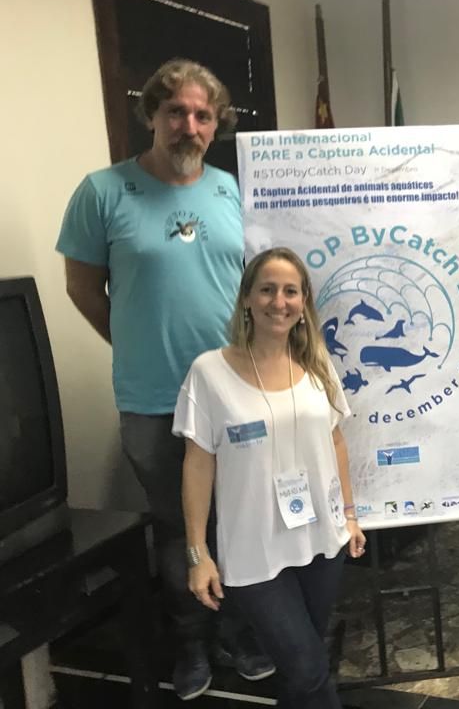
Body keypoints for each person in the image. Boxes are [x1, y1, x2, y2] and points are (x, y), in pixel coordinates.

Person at [56, 59, 272, 700]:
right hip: (154, 401)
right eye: (176, 111)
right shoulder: (103, 192)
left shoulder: (231, 190)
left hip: (235, 392)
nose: (190, 126)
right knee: (180, 528)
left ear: (216, 125)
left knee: (239, 521)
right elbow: (81, 288)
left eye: (203, 115)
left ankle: (237, 631)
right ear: (151, 114)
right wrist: (136, 345)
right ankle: (191, 645)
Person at [176, 247, 366, 709]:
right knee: (308, 666)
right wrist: (198, 554)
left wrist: (349, 515)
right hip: (253, 550)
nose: (278, 302)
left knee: (300, 670)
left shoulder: (317, 363)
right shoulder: (209, 372)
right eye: (266, 290)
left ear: (303, 303)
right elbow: (197, 465)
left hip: (322, 540)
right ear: (246, 298)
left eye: (290, 291)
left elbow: (336, 440)